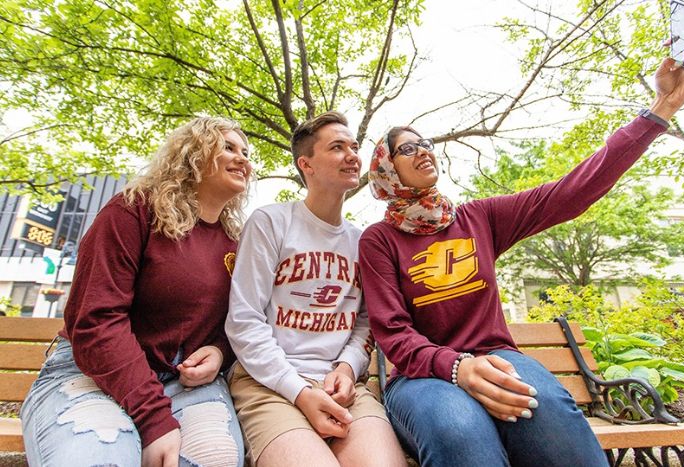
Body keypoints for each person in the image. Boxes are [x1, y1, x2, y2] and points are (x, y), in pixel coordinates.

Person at [358, 57, 684, 467]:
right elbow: (393, 334)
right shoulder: (379, 240)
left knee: (551, 414)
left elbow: (573, 190)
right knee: (459, 430)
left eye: (425, 143)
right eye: (406, 148)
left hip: (499, 356)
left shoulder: (478, 218)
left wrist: (662, 107)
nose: (423, 151)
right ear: (386, 168)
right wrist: (457, 368)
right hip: (420, 377)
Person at [21, 117, 252, 467]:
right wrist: (154, 417)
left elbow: (235, 322)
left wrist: (219, 352)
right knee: (100, 457)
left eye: (246, 153)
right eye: (229, 148)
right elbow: (96, 320)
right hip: (91, 373)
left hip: (181, 381)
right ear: (193, 154)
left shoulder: (234, 242)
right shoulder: (133, 211)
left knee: (216, 457)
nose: (243, 159)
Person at [225, 111, 406, 467]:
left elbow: (366, 322)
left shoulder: (362, 241)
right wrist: (300, 391)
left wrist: (347, 368)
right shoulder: (271, 223)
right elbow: (244, 321)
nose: (353, 155)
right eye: (337, 148)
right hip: (270, 385)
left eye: (354, 147)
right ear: (305, 164)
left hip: (340, 386)